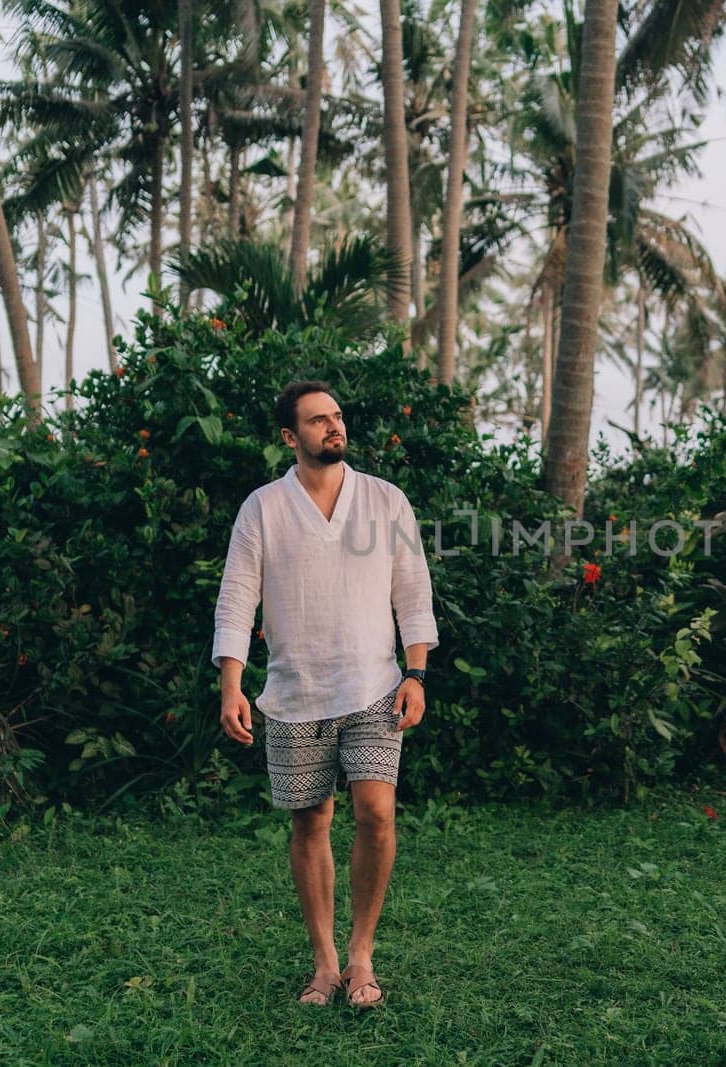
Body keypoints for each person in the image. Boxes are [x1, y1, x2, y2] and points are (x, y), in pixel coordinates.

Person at [211, 380, 439, 1009]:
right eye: (318, 421)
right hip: (294, 692)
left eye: (337, 417)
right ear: (291, 437)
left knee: (377, 811)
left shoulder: (385, 500)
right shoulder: (263, 508)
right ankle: (325, 963)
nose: (334, 428)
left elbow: (412, 594)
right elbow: (236, 599)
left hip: (375, 685)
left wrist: (415, 674)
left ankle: (362, 955)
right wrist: (232, 682)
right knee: (310, 822)